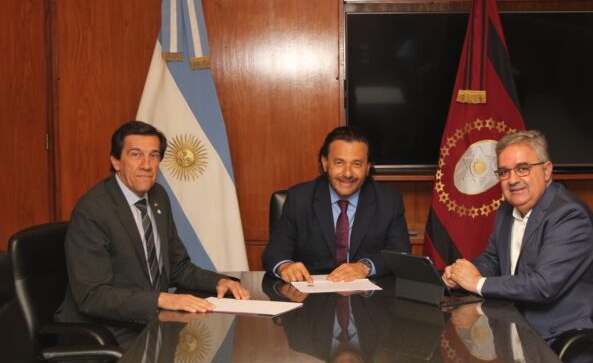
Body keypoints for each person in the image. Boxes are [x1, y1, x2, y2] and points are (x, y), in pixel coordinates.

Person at [442, 130, 593, 363]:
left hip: (567, 342)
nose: (513, 179)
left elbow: (543, 286)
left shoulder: (569, 215)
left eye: (523, 168)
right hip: (521, 334)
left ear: (546, 171)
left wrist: (477, 283)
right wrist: (461, 274)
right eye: (504, 172)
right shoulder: (506, 211)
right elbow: (493, 259)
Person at [57, 121, 250, 331]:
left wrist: (218, 282)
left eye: (154, 155)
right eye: (136, 155)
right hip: (108, 329)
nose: (147, 165)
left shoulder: (158, 196)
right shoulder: (93, 210)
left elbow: (177, 267)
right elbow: (93, 296)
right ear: (116, 161)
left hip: (152, 320)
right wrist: (161, 299)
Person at [262, 126, 411, 282]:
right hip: (312, 290)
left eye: (357, 164)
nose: (347, 173)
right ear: (325, 163)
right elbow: (275, 251)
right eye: (339, 163)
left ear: (368, 167)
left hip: (367, 292)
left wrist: (365, 266)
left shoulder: (389, 201)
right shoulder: (299, 198)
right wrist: (285, 266)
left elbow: (401, 253)